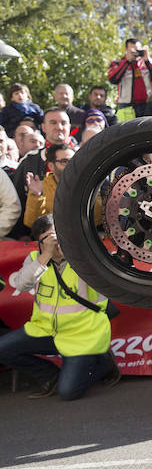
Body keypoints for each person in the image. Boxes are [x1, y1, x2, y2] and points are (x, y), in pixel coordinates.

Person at [0, 214, 118, 399]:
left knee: (69, 393)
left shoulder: (85, 257)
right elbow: (22, 285)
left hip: (82, 334)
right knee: (3, 348)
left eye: (60, 236)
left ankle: (104, 364)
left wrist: (76, 249)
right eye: (50, 240)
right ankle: (50, 377)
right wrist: (45, 255)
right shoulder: (35, 258)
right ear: (39, 243)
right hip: (44, 331)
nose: (57, 243)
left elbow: (110, 275)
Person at [107, 38, 152, 118]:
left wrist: (148, 60)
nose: (135, 53)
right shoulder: (117, 64)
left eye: (138, 50)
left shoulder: (146, 64)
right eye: (132, 50)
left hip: (147, 104)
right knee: (128, 129)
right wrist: (127, 61)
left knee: (147, 129)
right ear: (126, 49)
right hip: (126, 105)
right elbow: (112, 79)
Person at [23, 143, 74, 227]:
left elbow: (97, 219)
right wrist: (37, 196)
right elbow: (31, 222)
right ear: (51, 166)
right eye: (64, 161)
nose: (70, 165)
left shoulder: (87, 183)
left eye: (73, 160)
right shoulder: (41, 187)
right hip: (53, 236)